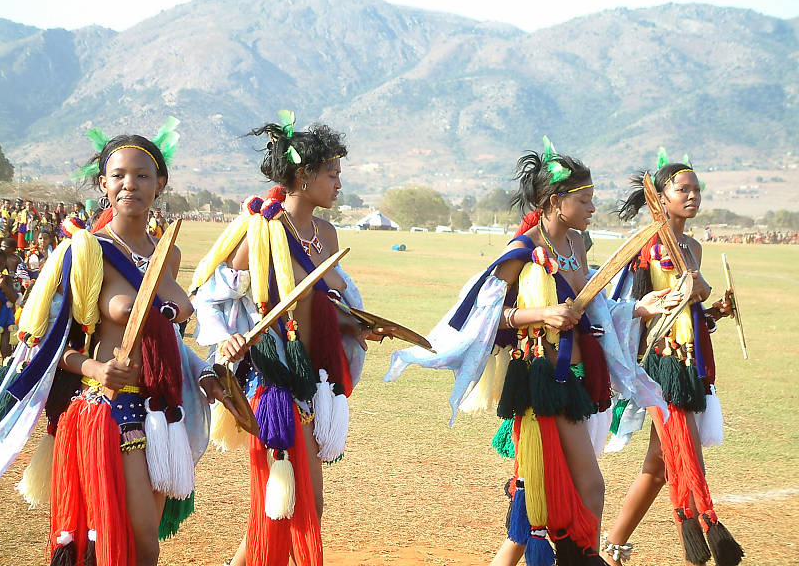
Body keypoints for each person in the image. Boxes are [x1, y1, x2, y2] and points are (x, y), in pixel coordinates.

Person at [387, 138, 678, 566]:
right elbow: (490, 318)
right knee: (587, 487)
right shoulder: (520, 251)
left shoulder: (577, 246)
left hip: (579, 379)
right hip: (543, 380)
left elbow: (594, 306)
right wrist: (542, 313)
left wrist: (639, 306)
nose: (593, 208)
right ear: (556, 201)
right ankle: (583, 557)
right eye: (585, 200)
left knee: (541, 495)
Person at [0, 121, 233, 566]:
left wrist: (205, 372)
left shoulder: (168, 252)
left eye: (143, 175)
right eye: (120, 175)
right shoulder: (83, 252)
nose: (131, 184)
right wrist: (96, 369)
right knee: (138, 540)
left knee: (144, 547)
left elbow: (167, 334)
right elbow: (48, 348)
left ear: (160, 184)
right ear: (103, 184)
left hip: (164, 410)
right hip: (111, 409)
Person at [190, 112, 383, 566]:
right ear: (304, 175)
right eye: (332, 174)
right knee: (301, 506)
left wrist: (358, 326)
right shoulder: (260, 231)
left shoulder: (328, 233)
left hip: (313, 382)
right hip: (272, 383)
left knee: (276, 512)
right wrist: (227, 342)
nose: (339, 184)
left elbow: (325, 307)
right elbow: (213, 297)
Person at [601, 154, 743, 566]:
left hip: (690, 363)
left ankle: (613, 545)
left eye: (697, 189)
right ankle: (704, 534)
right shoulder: (647, 247)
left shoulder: (692, 247)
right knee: (685, 456)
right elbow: (638, 309)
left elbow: (689, 317)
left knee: (661, 463)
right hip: (663, 366)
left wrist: (714, 310)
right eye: (683, 190)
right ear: (659, 199)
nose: (693, 196)